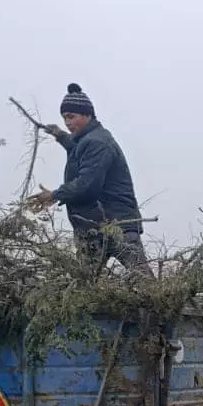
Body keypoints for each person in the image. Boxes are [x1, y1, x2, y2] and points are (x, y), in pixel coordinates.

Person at [26, 83, 150, 275]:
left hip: (117, 227)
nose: (67, 122)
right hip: (93, 229)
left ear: (87, 115)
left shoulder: (97, 142)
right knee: (84, 287)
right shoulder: (88, 139)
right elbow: (77, 150)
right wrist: (60, 136)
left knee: (144, 283)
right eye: (64, 118)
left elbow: (87, 186)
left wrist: (55, 195)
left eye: (71, 117)